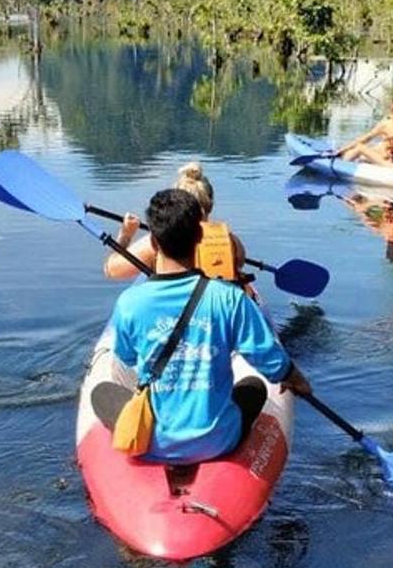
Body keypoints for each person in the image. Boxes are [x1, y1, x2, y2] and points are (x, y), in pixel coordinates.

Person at [101, 189, 312, 464]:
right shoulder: (230, 298)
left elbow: (127, 357)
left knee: (102, 394)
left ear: (153, 242)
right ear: (200, 238)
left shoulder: (129, 302)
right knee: (253, 388)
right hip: (217, 442)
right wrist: (296, 379)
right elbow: (270, 360)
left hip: (155, 442)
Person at [104, 162, 248, 284]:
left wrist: (126, 235)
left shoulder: (159, 241)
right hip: (217, 310)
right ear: (210, 204)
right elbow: (238, 265)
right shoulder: (231, 241)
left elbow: (112, 270)